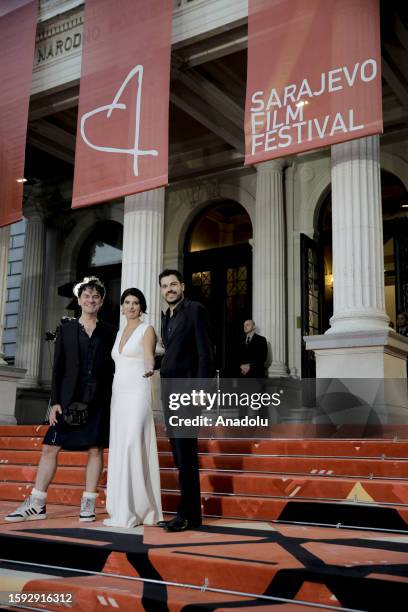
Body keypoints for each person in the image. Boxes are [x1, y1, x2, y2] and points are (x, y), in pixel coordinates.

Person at [6, 277, 116, 523]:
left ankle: (88, 502)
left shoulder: (110, 331)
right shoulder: (65, 329)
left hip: (98, 399)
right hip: (67, 400)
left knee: (95, 449)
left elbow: (114, 366)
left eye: (95, 297)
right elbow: (58, 368)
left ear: (101, 302)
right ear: (79, 300)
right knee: (49, 448)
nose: (91, 300)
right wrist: (55, 401)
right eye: (86, 296)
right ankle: (37, 503)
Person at [159, 269, 214, 532]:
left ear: (182, 286)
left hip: (188, 392)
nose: (169, 289)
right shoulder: (166, 317)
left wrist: (203, 390)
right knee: (180, 455)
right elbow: (173, 354)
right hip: (170, 392)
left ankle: (187, 516)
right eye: (164, 286)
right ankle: (189, 514)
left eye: (173, 284)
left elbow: (205, 352)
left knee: (186, 457)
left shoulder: (195, 310)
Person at [103, 288, 163, 528]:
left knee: (132, 444)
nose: (131, 306)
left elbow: (149, 356)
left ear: (142, 306)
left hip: (138, 392)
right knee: (120, 447)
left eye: (135, 303)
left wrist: (149, 367)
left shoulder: (146, 329)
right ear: (121, 307)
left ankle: (138, 508)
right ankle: (121, 508)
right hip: (118, 394)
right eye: (127, 302)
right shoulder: (118, 333)